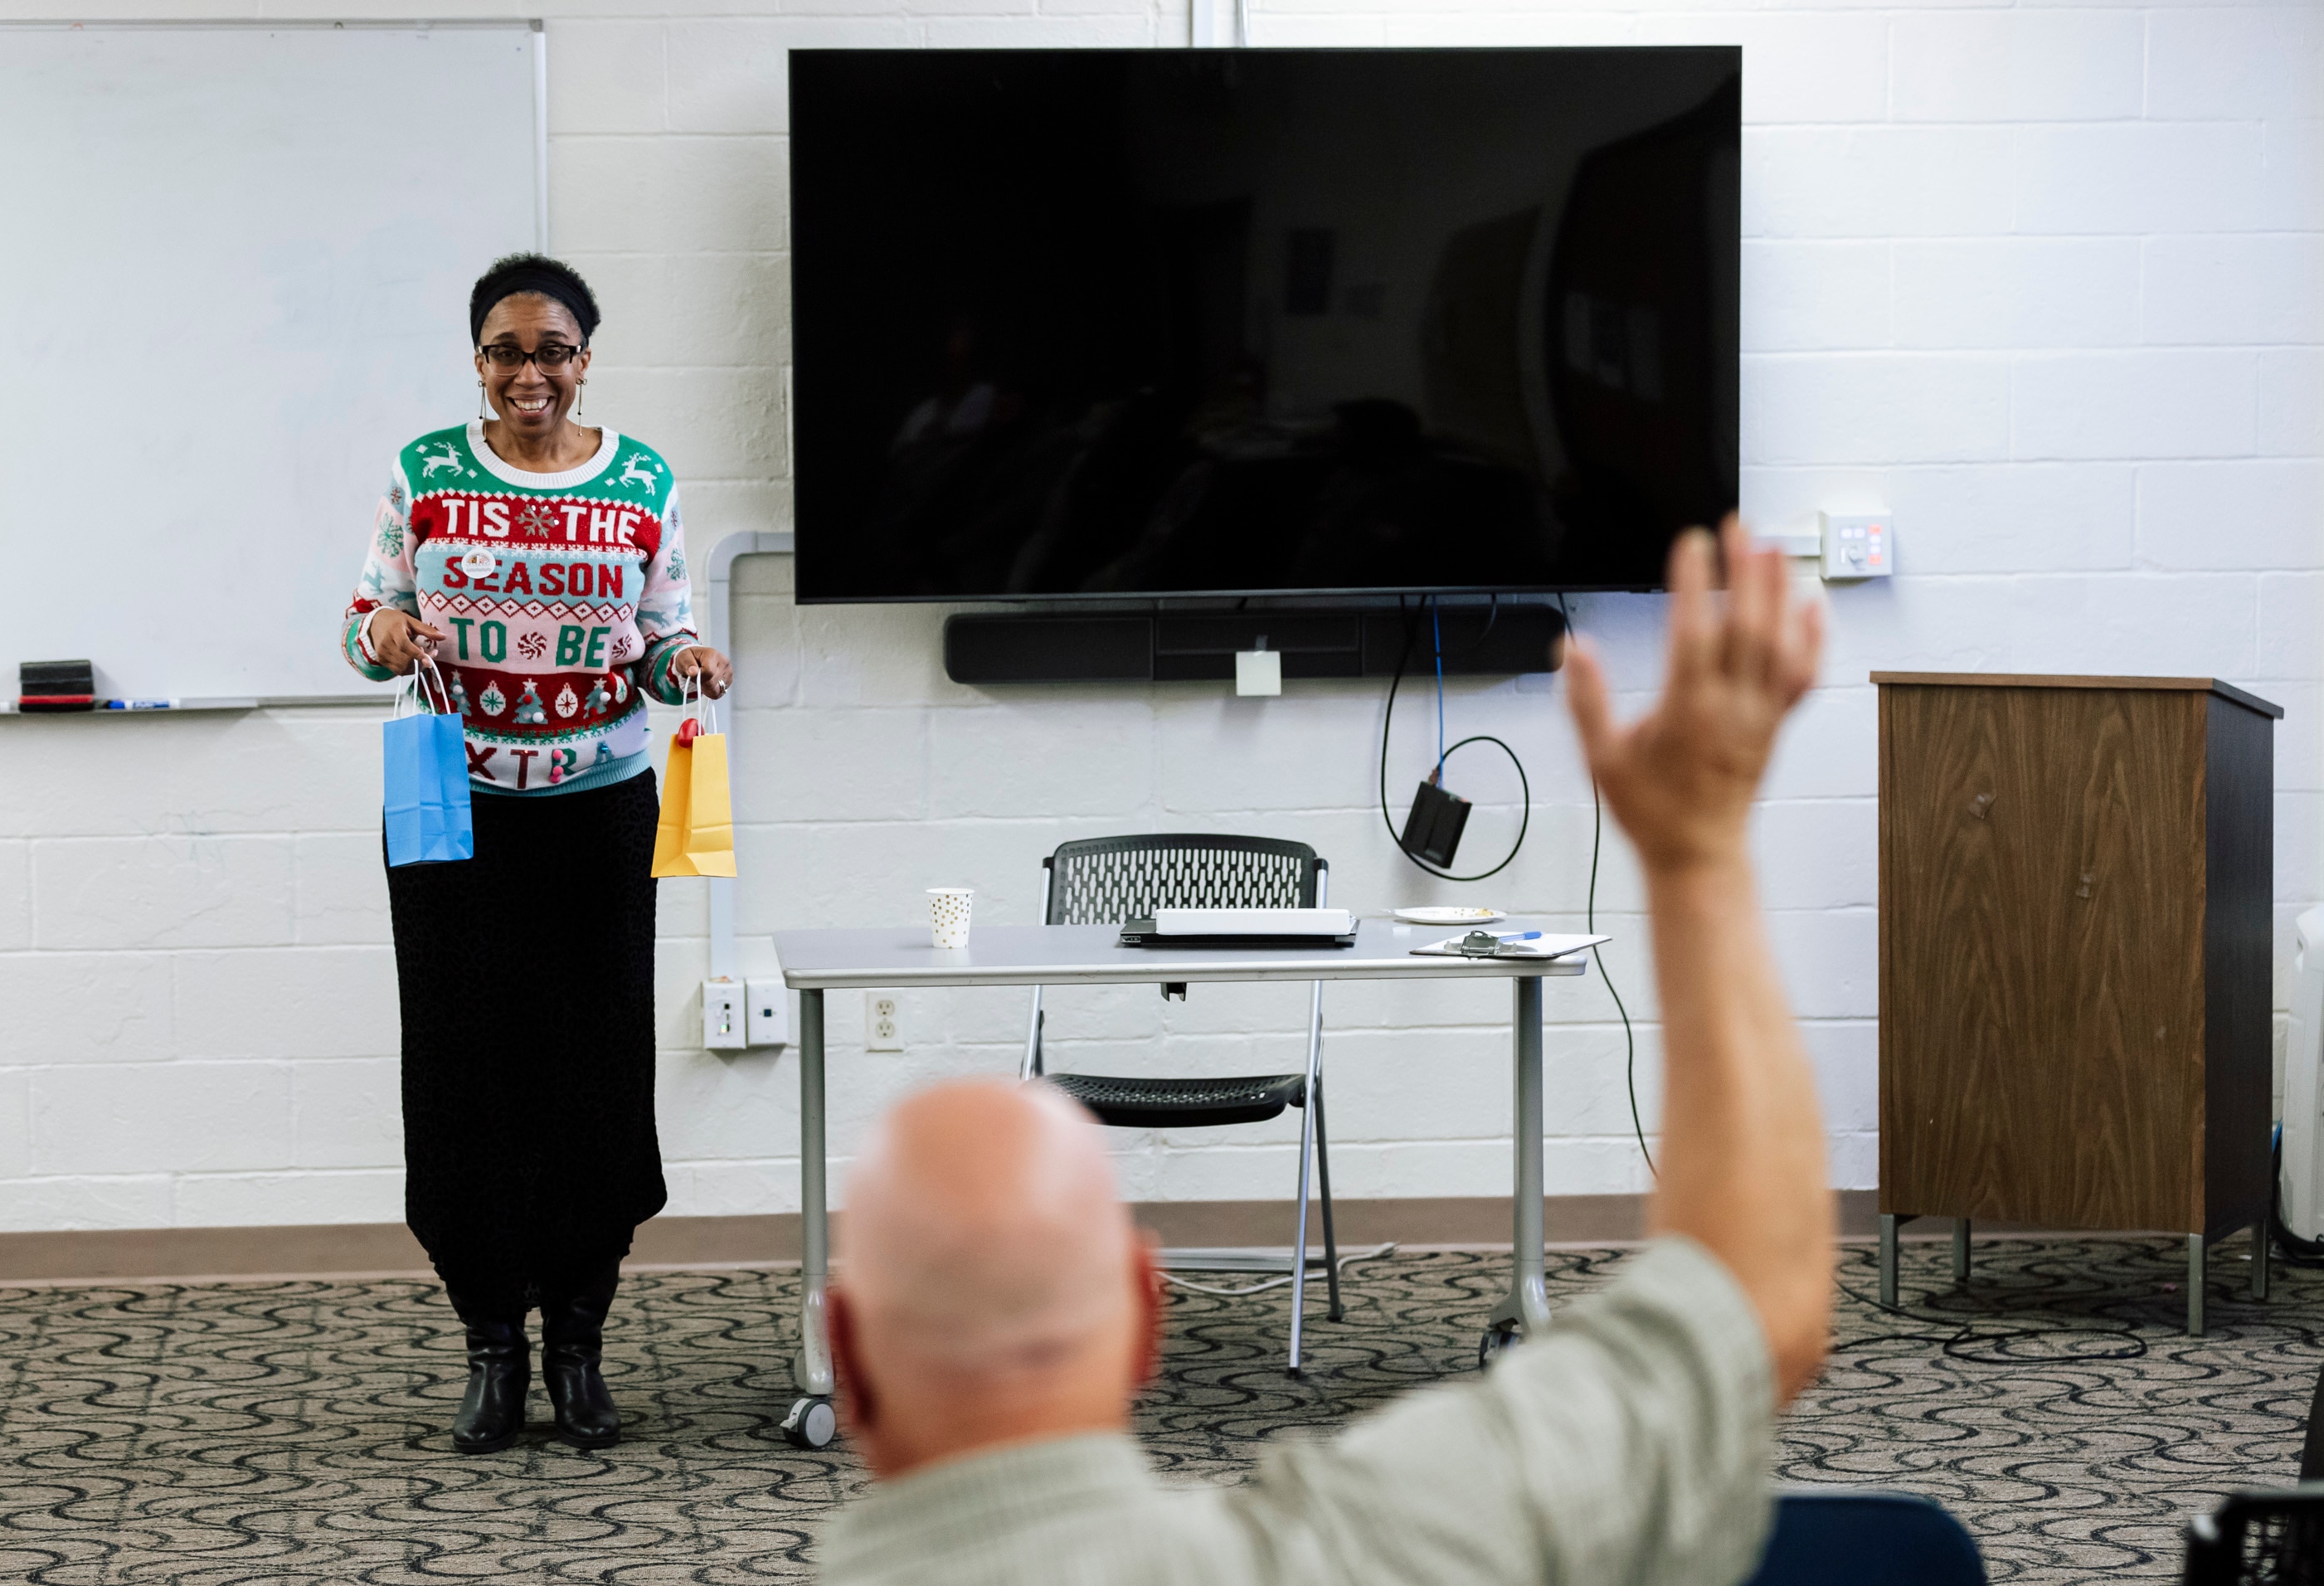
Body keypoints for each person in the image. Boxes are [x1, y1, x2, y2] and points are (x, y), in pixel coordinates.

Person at [822, 518, 1832, 1584]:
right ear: (1143, 1314)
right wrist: (1697, 851)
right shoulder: (1371, 1546)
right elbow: (1753, 1309)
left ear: (847, 1358)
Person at [339, 252, 733, 1454]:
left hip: (599, 811)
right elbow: (363, 631)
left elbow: (660, 638)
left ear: (583, 360)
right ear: (478, 362)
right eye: (505, 351)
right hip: (454, 816)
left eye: (551, 351)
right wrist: (389, 630)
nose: (529, 373)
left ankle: (578, 1340)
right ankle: (490, 1349)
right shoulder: (424, 475)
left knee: (596, 1073)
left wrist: (690, 667)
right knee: (465, 1076)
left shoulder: (643, 481)